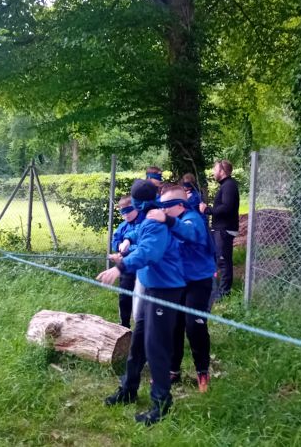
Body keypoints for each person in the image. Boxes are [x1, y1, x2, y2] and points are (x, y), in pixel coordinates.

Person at [97, 179, 185, 426]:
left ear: (138, 203)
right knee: (138, 343)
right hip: (151, 288)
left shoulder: (156, 223)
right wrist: (127, 243)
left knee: (156, 347)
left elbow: (149, 252)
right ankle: (128, 389)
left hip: (164, 290)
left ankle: (161, 404)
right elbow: (140, 234)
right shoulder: (150, 217)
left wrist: (120, 267)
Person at [147, 186, 216, 392]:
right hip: (176, 281)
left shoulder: (192, 219)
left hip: (199, 281)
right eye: (161, 206)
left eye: (167, 206)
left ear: (180, 205)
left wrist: (167, 220)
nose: (163, 210)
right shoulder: (169, 221)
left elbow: (189, 233)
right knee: (174, 324)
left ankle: (202, 371)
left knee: (194, 325)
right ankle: (173, 370)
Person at [200, 160, 239, 299]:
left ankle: (224, 294)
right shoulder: (226, 185)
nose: (213, 172)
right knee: (219, 260)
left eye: (215, 169)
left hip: (224, 230)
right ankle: (218, 290)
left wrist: (208, 210)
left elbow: (227, 208)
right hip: (220, 229)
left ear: (222, 171)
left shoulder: (229, 186)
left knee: (223, 262)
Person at [111, 195, 143, 328]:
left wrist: (127, 251)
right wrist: (119, 247)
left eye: (128, 211)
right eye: (122, 212)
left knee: (141, 298)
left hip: (142, 268)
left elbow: (143, 246)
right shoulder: (122, 226)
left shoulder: (145, 223)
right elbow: (115, 241)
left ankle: (141, 326)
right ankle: (124, 325)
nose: (126, 215)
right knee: (124, 295)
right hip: (127, 267)